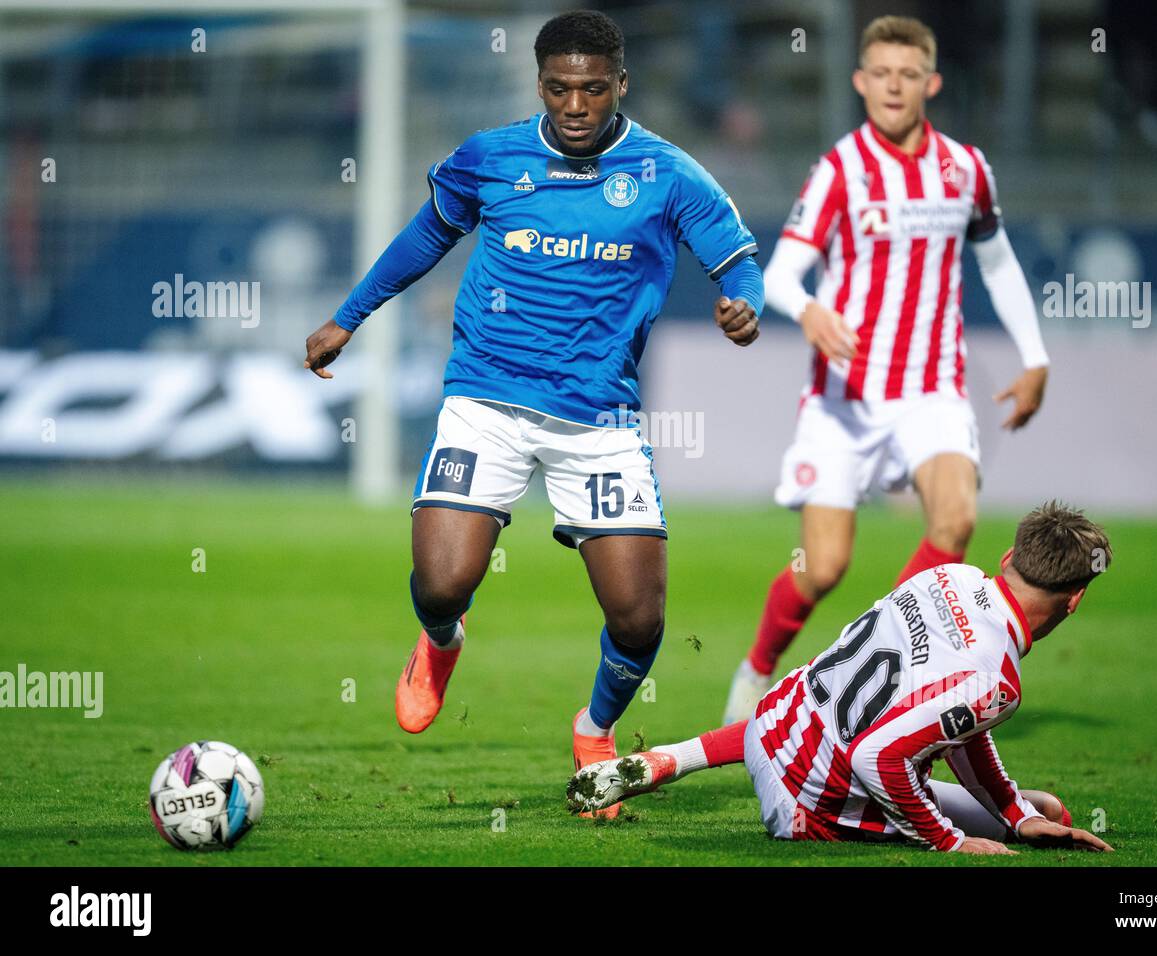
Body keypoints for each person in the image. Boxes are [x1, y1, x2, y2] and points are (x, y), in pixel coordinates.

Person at [303, 10, 763, 818]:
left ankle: (595, 728)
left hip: (600, 419)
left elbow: (736, 259)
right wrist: (351, 315)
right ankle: (441, 643)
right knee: (444, 583)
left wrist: (742, 305)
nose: (576, 105)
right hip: (486, 399)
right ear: (540, 85)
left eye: (592, 89)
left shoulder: (667, 172)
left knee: (639, 615)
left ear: (621, 84)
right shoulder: (491, 156)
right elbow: (426, 236)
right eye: (559, 89)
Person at [723, 15, 1049, 724]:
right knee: (826, 567)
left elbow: (996, 260)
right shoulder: (840, 168)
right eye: (881, 74)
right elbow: (779, 276)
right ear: (859, 81)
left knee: (956, 519)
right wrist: (809, 311)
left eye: (909, 75)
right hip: (845, 399)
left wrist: (1036, 356)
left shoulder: (966, 169)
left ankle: (871, 670)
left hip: (931, 387)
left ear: (930, 82)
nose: (894, 87)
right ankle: (756, 669)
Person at [571, 501, 1114, 855]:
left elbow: (958, 727)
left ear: (1008, 556)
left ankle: (677, 756)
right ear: (1075, 601)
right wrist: (949, 842)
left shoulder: (952, 575)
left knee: (1027, 809)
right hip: (807, 804)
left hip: (771, 722)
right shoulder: (996, 679)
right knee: (1043, 811)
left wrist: (1013, 813)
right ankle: (687, 759)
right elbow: (878, 757)